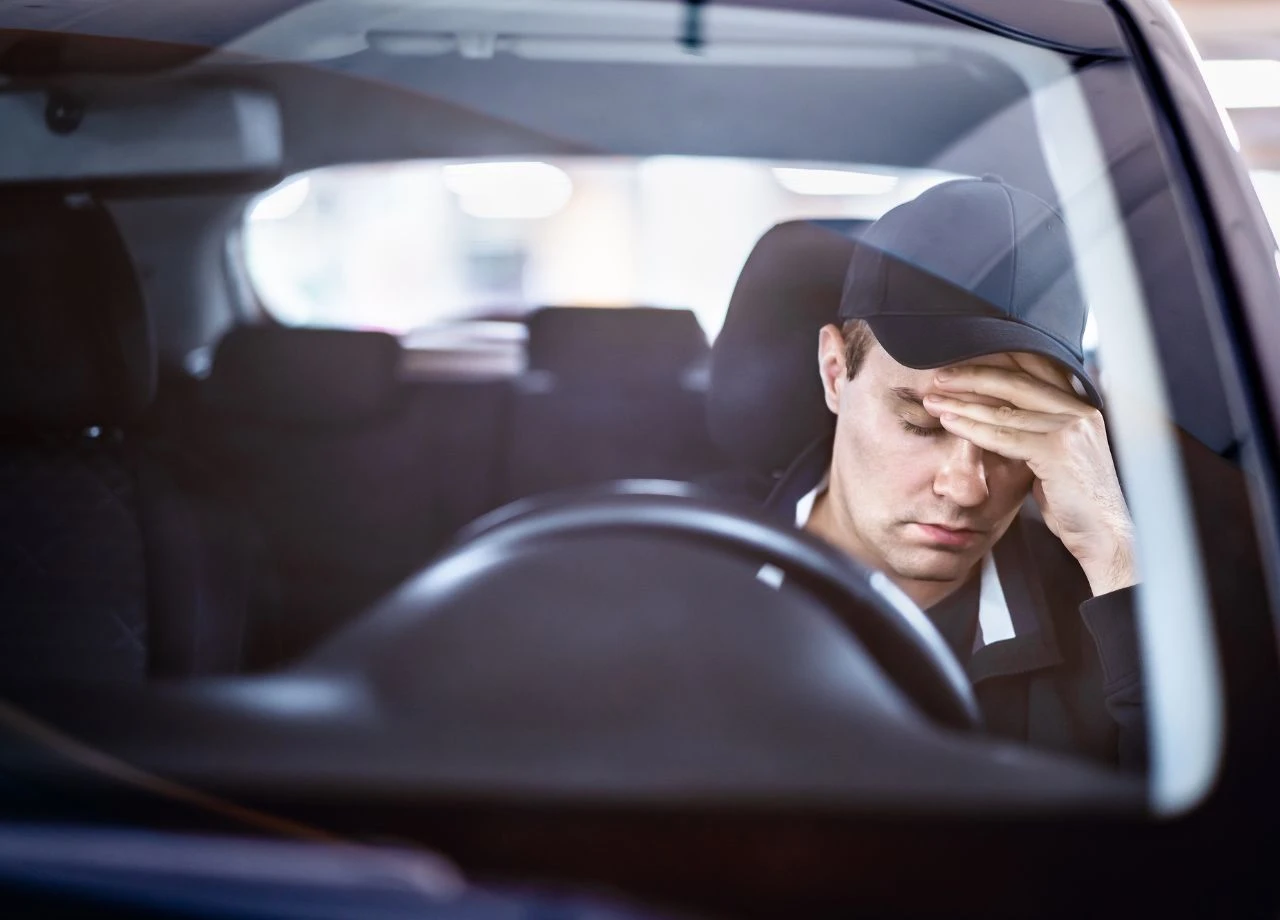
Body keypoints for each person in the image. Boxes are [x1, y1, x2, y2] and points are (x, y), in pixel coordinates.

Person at [754, 177, 1143, 770]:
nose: (966, 488)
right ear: (835, 372)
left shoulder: (1114, 627)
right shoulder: (680, 575)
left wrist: (1115, 553)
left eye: (1012, 435)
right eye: (922, 424)